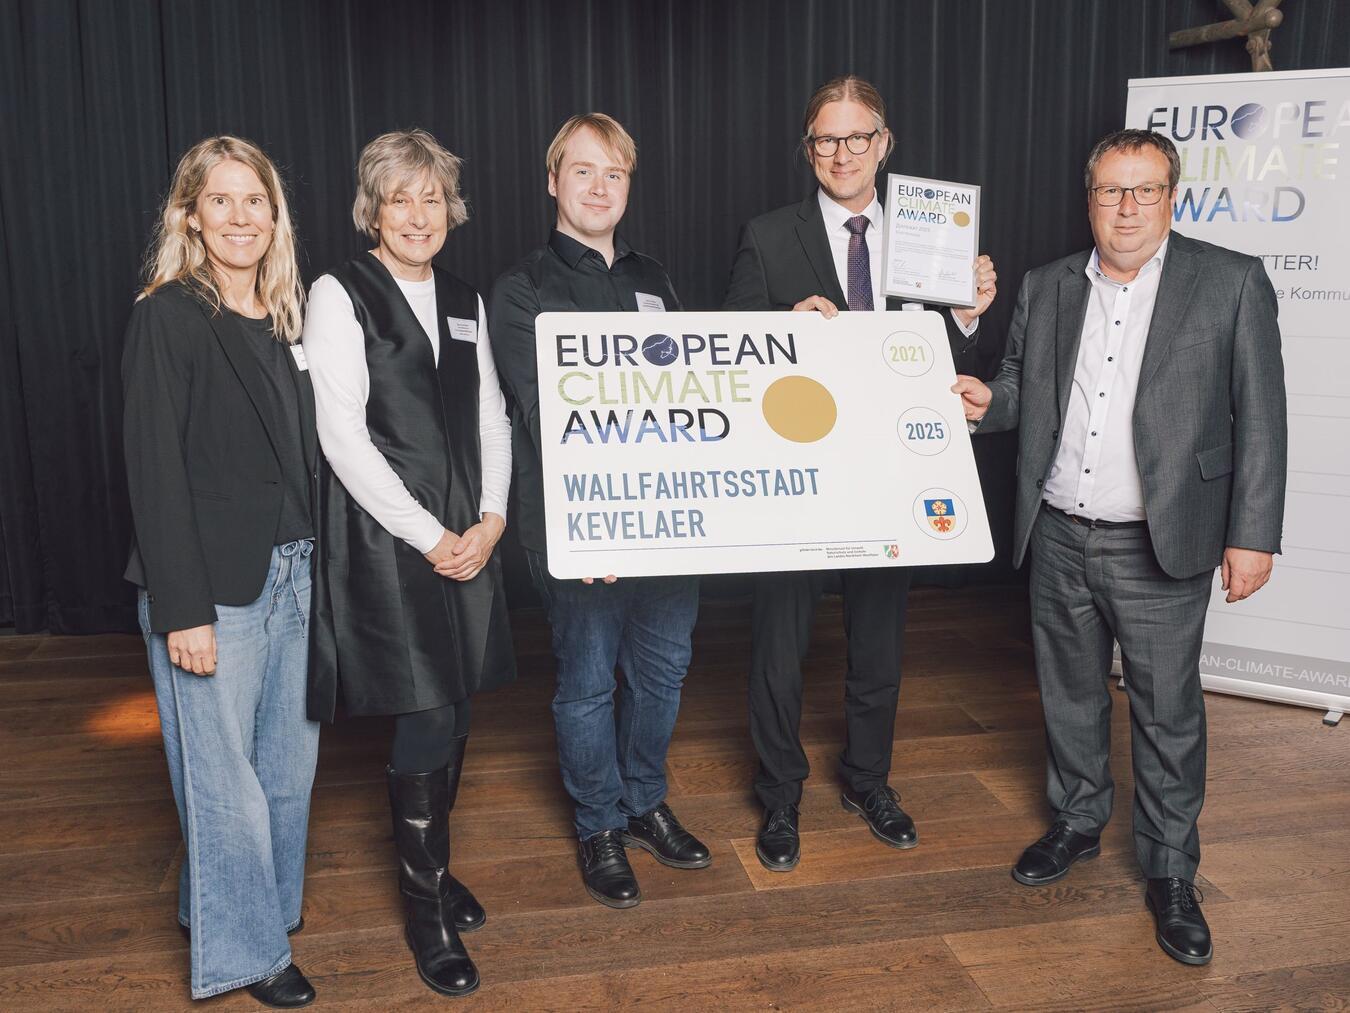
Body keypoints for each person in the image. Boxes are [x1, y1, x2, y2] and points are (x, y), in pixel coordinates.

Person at [952, 128, 1286, 965]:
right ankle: (1076, 819)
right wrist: (988, 398)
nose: (1127, 207)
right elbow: (1025, 386)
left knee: (1167, 714)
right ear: (1090, 199)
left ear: (1172, 197)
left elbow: (1263, 420)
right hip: (1060, 529)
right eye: (1110, 191)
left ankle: (1172, 870)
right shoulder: (1049, 284)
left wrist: (1253, 536)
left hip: (1162, 543)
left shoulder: (1231, 282)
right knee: (1069, 695)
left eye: (1144, 190)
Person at [723, 75, 998, 872]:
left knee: (879, 643)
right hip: (798, 474)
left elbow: (959, 369)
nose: (841, 153)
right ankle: (779, 793)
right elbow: (731, 343)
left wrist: (970, 315)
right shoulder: (769, 235)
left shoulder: (929, 234)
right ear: (808, 150)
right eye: (825, 140)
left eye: (857, 137)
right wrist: (783, 328)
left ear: (885, 143)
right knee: (778, 646)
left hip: (894, 470)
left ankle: (868, 780)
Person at [303, 129, 515, 998]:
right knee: (426, 714)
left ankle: (436, 867)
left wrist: (494, 519)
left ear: (450, 210)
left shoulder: (466, 295)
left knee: (458, 708)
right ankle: (422, 907)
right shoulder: (338, 290)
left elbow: (493, 415)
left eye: (432, 198)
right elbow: (341, 436)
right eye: (401, 198)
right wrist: (431, 535)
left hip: (471, 538)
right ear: (374, 209)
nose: (419, 214)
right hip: (392, 543)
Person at [490, 113, 710, 910]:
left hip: (669, 526)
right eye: (582, 171)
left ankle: (643, 799)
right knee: (586, 683)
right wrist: (603, 516)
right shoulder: (520, 289)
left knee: (661, 672)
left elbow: (697, 394)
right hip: (584, 529)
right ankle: (598, 823)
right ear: (553, 182)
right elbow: (546, 413)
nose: (598, 187)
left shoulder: (655, 278)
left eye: (613, 174)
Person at [123, 136, 318, 1007]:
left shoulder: (287, 317)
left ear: (275, 216)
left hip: (294, 579)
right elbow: (153, 468)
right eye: (222, 201)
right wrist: (182, 607)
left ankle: (250, 910)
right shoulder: (168, 315)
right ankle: (252, 955)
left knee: (284, 769)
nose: (241, 218)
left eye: (256, 201)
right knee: (225, 783)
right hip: (212, 591)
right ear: (190, 216)